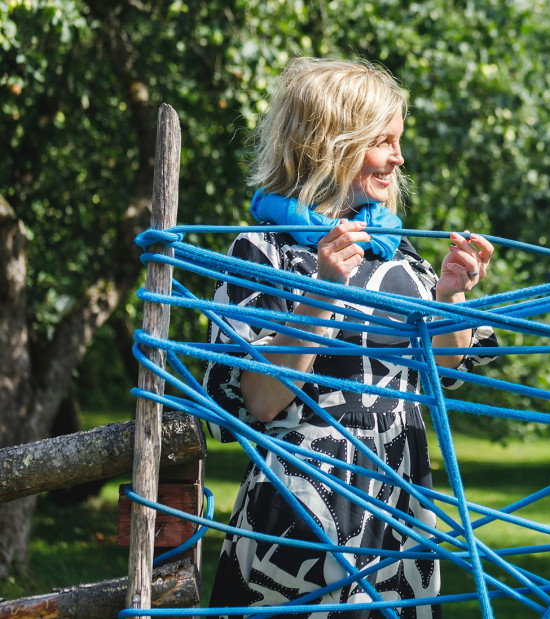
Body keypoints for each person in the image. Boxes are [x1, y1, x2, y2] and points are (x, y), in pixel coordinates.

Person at [202, 57, 498, 619]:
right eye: (382, 141)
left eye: (398, 141)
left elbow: (444, 371)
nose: (399, 157)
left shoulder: (397, 249)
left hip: (399, 506)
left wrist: (451, 294)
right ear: (330, 143)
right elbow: (261, 401)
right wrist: (323, 290)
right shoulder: (263, 250)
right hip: (300, 508)